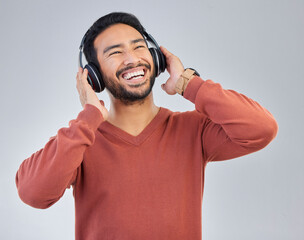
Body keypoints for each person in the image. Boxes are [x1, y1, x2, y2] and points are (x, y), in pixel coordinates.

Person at [15, 12, 278, 240]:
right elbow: (33, 193)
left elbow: (261, 129)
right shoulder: (80, 140)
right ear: (93, 76)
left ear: (156, 58)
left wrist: (190, 84)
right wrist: (88, 116)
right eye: (115, 52)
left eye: (139, 47)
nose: (132, 59)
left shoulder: (192, 130)